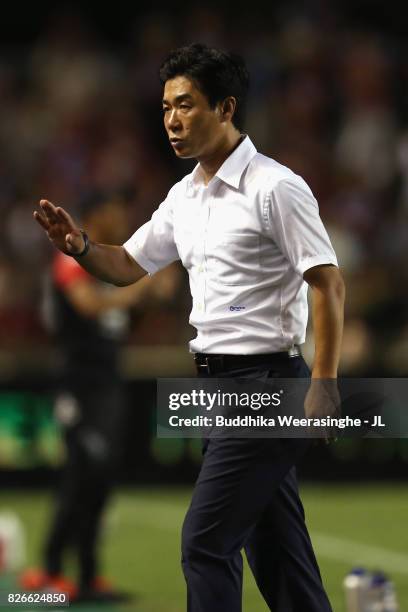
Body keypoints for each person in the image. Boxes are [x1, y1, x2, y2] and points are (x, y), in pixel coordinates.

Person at [33, 43, 345, 612]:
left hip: (266, 386)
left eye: (186, 105)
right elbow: (126, 265)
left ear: (226, 108)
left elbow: (328, 283)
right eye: (166, 107)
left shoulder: (275, 187)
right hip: (217, 390)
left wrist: (324, 380)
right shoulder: (184, 196)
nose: (172, 120)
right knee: (277, 553)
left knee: (204, 543)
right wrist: (78, 245)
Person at [23, 191, 175, 603]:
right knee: (81, 473)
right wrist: (143, 287)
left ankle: (89, 576)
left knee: (102, 478)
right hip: (79, 385)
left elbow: (119, 319)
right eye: (113, 212)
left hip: (109, 384)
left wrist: (153, 297)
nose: (120, 219)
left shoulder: (111, 265)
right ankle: (50, 570)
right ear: (95, 215)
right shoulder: (70, 260)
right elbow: (90, 307)